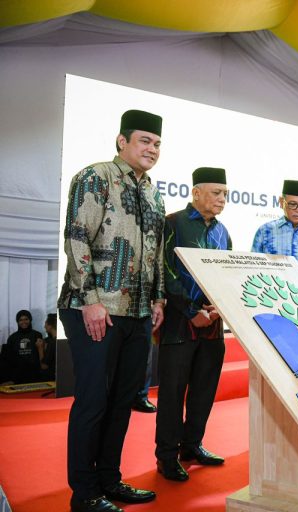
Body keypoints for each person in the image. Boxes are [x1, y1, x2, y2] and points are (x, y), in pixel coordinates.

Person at [58, 109, 166, 512]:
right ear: (122, 141)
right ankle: (84, 494)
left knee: (123, 401)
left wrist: (157, 300)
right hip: (94, 309)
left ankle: (109, 481)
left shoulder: (153, 192)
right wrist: (90, 301)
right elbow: (76, 238)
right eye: (144, 141)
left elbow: (154, 252)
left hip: (137, 313)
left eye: (156, 143)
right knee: (93, 402)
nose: (152, 149)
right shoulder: (96, 176)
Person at [155, 167, 232, 482]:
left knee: (204, 388)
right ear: (196, 192)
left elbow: (226, 270)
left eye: (225, 194)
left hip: (212, 322)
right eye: (216, 193)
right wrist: (190, 310)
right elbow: (165, 271)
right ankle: (166, 456)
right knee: (173, 393)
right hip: (178, 321)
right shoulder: (172, 223)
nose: (222, 199)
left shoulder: (222, 230)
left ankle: (192, 445)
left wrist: (216, 309)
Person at [251, 179, 298, 286]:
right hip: (274, 298)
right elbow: (253, 269)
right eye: (292, 204)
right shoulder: (265, 231)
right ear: (281, 202)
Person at [0, 310, 43, 384]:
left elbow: (41, 353)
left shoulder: (37, 335)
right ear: (17, 322)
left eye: (26, 319)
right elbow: (9, 359)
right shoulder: (12, 338)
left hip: (35, 373)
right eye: (20, 320)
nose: (24, 322)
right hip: (17, 375)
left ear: (30, 320)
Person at [36, 313, 57, 381]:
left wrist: (40, 348)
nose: (44, 326)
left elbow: (44, 366)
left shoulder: (52, 343)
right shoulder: (62, 341)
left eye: (46, 323)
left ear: (50, 326)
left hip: (51, 379)